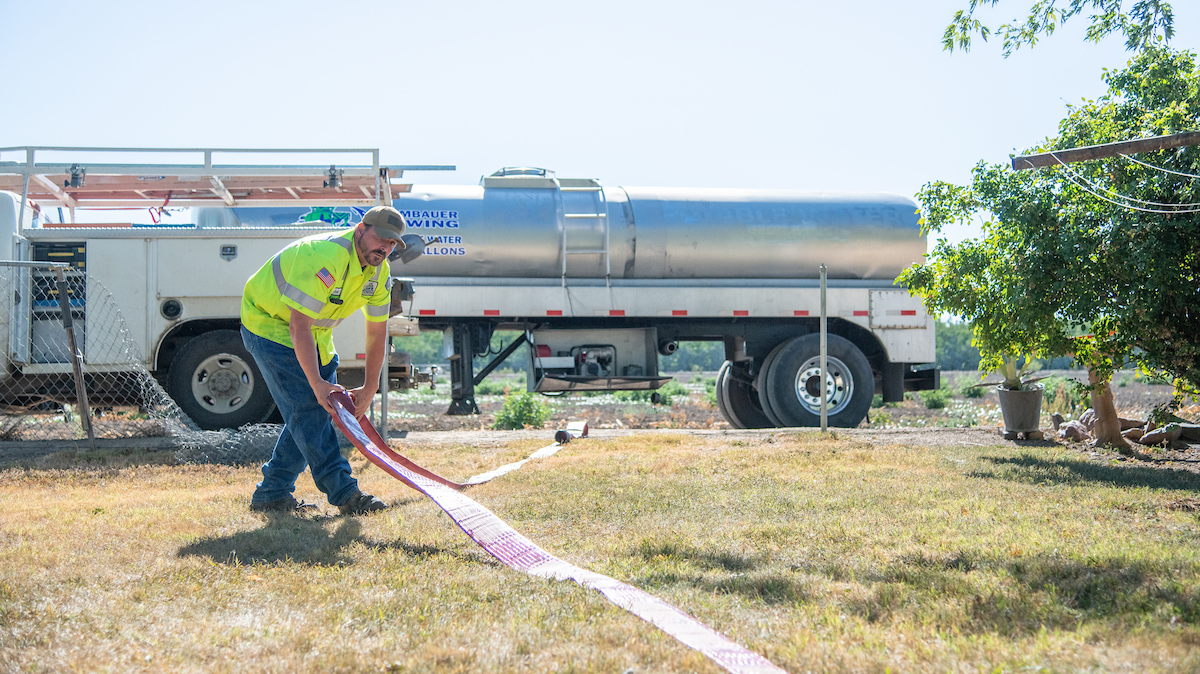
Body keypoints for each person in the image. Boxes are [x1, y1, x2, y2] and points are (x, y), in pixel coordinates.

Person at [240, 205, 406, 515]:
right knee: (308, 408)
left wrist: (370, 389)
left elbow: (377, 333)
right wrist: (317, 383)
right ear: (360, 230)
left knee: (308, 413)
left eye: (393, 243)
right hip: (269, 325)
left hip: (315, 334)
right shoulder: (324, 256)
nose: (385, 247)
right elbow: (297, 325)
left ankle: (272, 493)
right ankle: (345, 492)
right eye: (381, 238)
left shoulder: (379, 272)